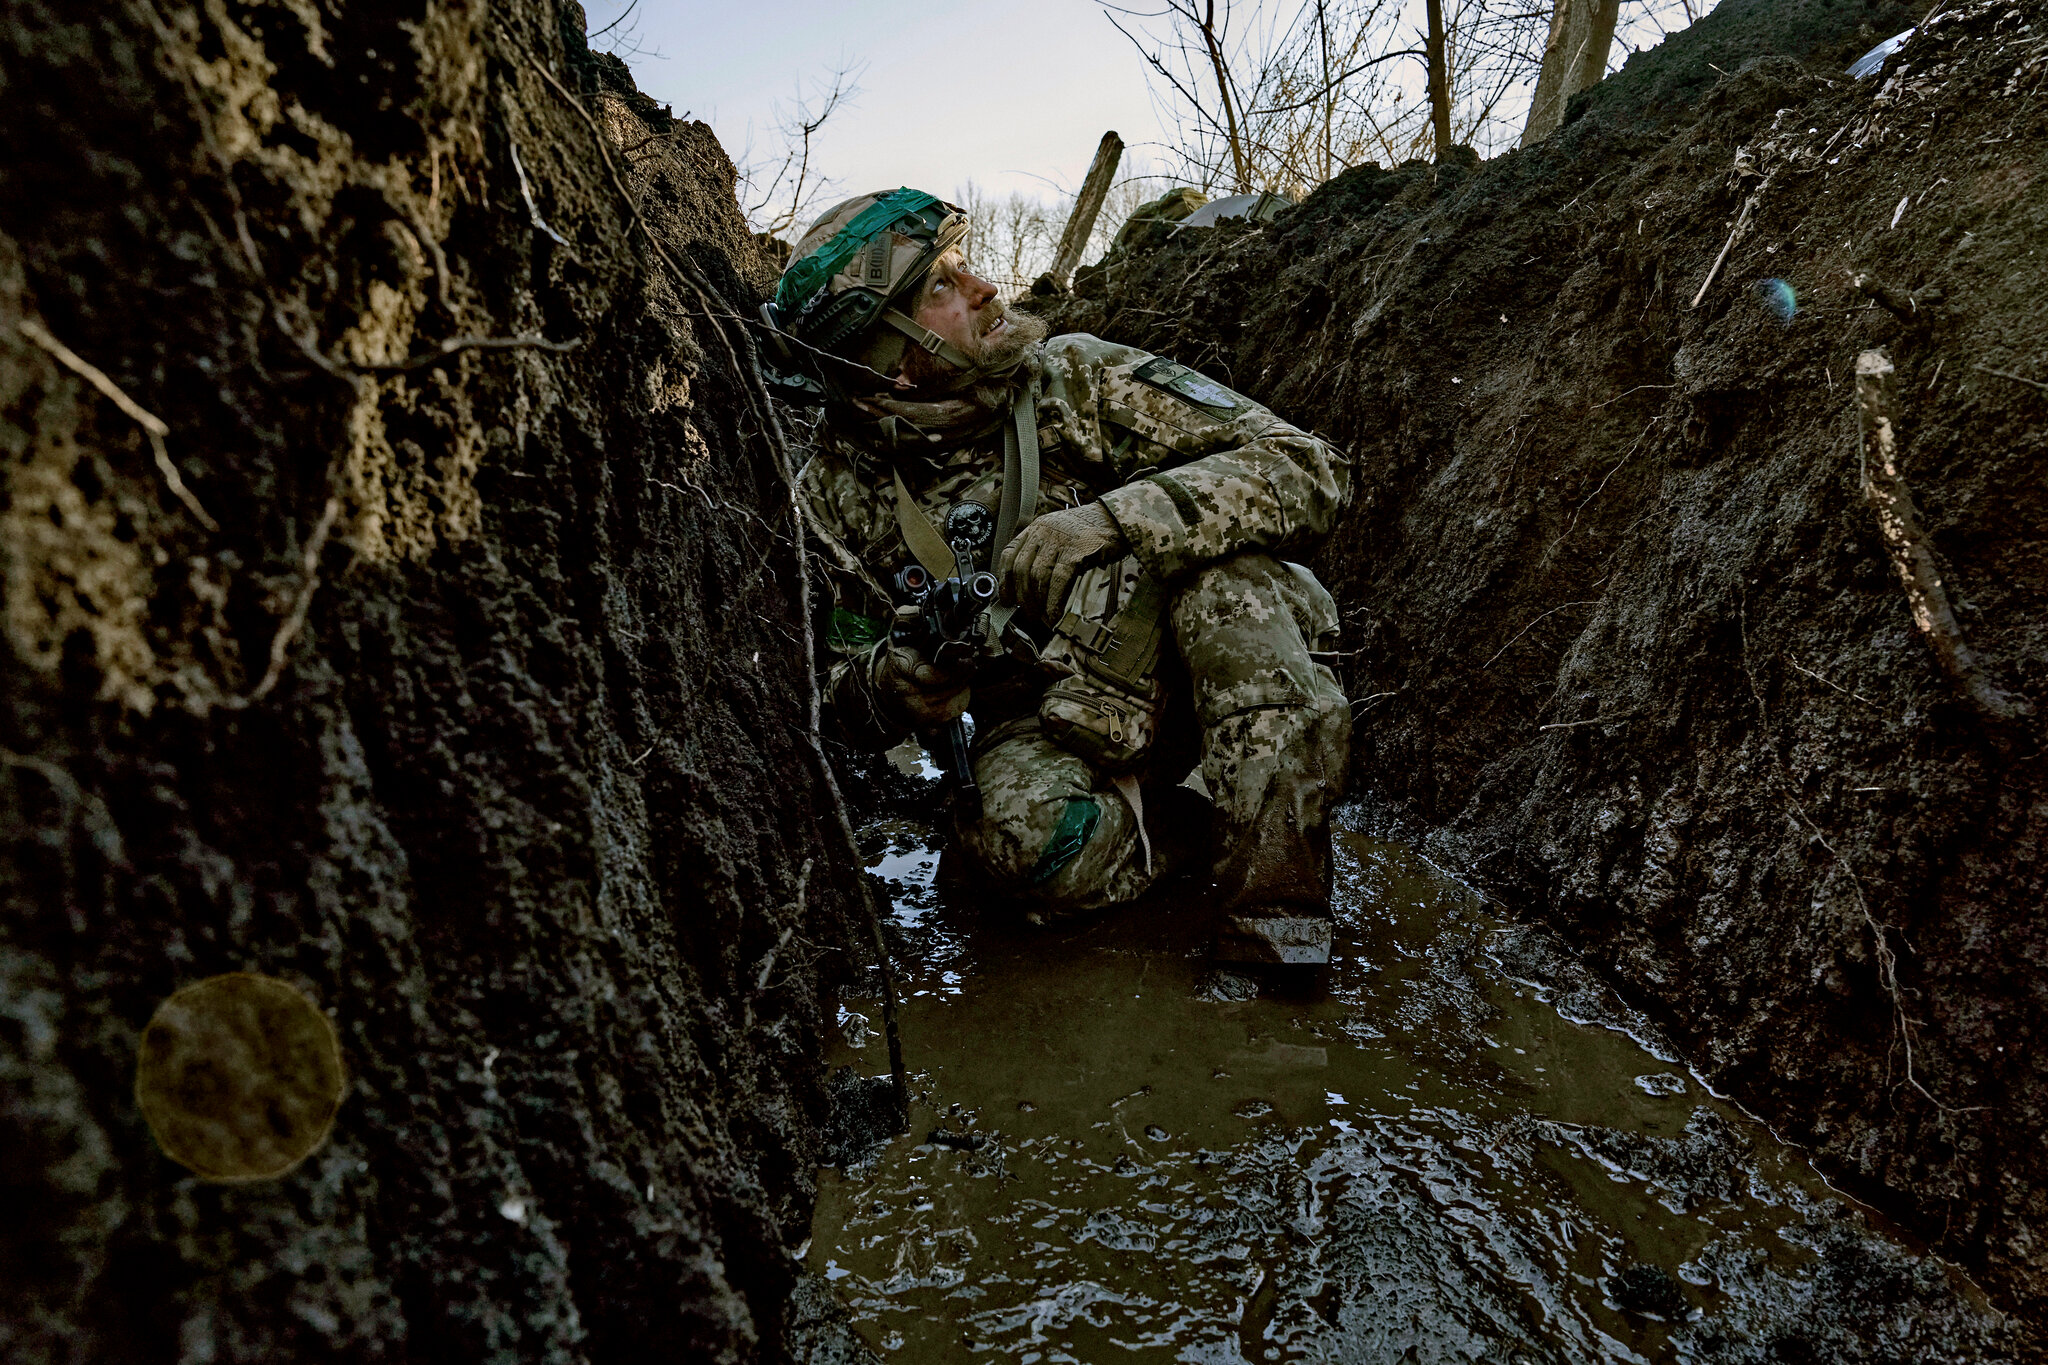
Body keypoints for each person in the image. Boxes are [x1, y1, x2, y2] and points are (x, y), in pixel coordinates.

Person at [762, 188, 1352, 965]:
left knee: (1228, 590)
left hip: (1201, 670)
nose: (985, 289)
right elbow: (823, 695)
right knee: (1008, 849)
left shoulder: (1071, 380)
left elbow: (1308, 465)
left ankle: (1278, 925)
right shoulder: (836, 494)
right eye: (940, 286)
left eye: (962, 266)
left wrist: (1114, 520)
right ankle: (1193, 829)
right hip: (1052, 725)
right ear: (891, 362)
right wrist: (890, 681)